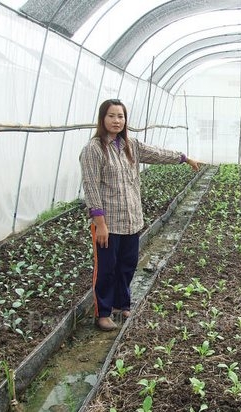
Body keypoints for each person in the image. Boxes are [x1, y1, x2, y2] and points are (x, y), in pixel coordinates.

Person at [80, 99, 200, 331]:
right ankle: (103, 312)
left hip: (131, 220)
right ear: (102, 119)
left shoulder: (130, 145)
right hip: (109, 223)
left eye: (121, 116)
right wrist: (100, 224)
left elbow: (157, 154)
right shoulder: (93, 149)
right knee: (105, 268)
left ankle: (121, 303)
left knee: (127, 264)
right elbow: (92, 188)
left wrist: (183, 158)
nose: (116, 120)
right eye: (112, 116)